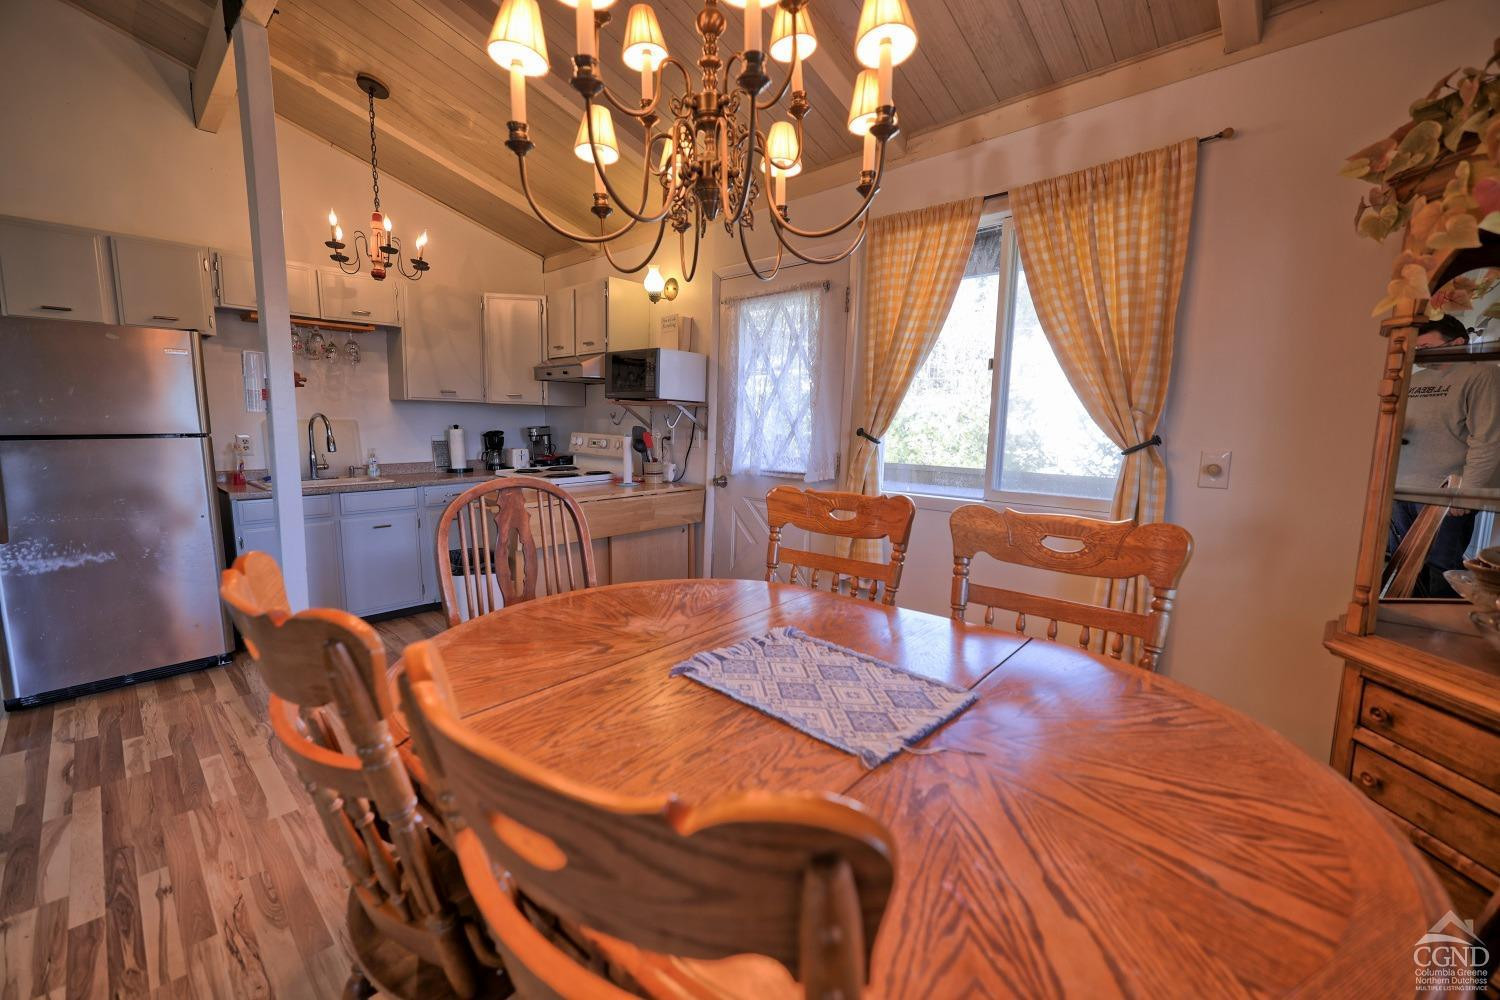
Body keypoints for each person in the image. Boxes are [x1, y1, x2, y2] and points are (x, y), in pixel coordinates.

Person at [1389, 314, 1500, 596]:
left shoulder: (1483, 374)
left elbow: (1488, 440)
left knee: (1441, 568)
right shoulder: (1416, 379)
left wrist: (1466, 493)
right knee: (1402, 565)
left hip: (1445, 494)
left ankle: (1435, 634)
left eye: (1425, 347)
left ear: (1458, 343)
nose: (1419, 353)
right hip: (1401, 488)